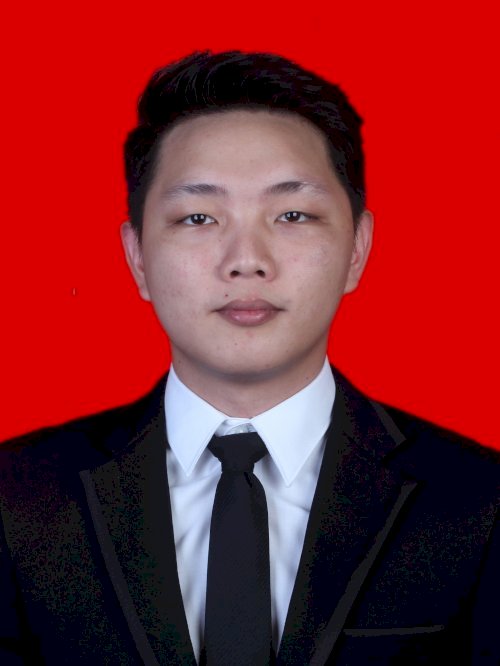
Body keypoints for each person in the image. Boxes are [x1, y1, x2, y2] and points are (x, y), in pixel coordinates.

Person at [0, 50, 498, 666]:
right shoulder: (19, 499)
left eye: (292, 215)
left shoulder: (478, 500)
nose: (246, 260)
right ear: (137, 257)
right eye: (198, 217)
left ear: (357, 248)